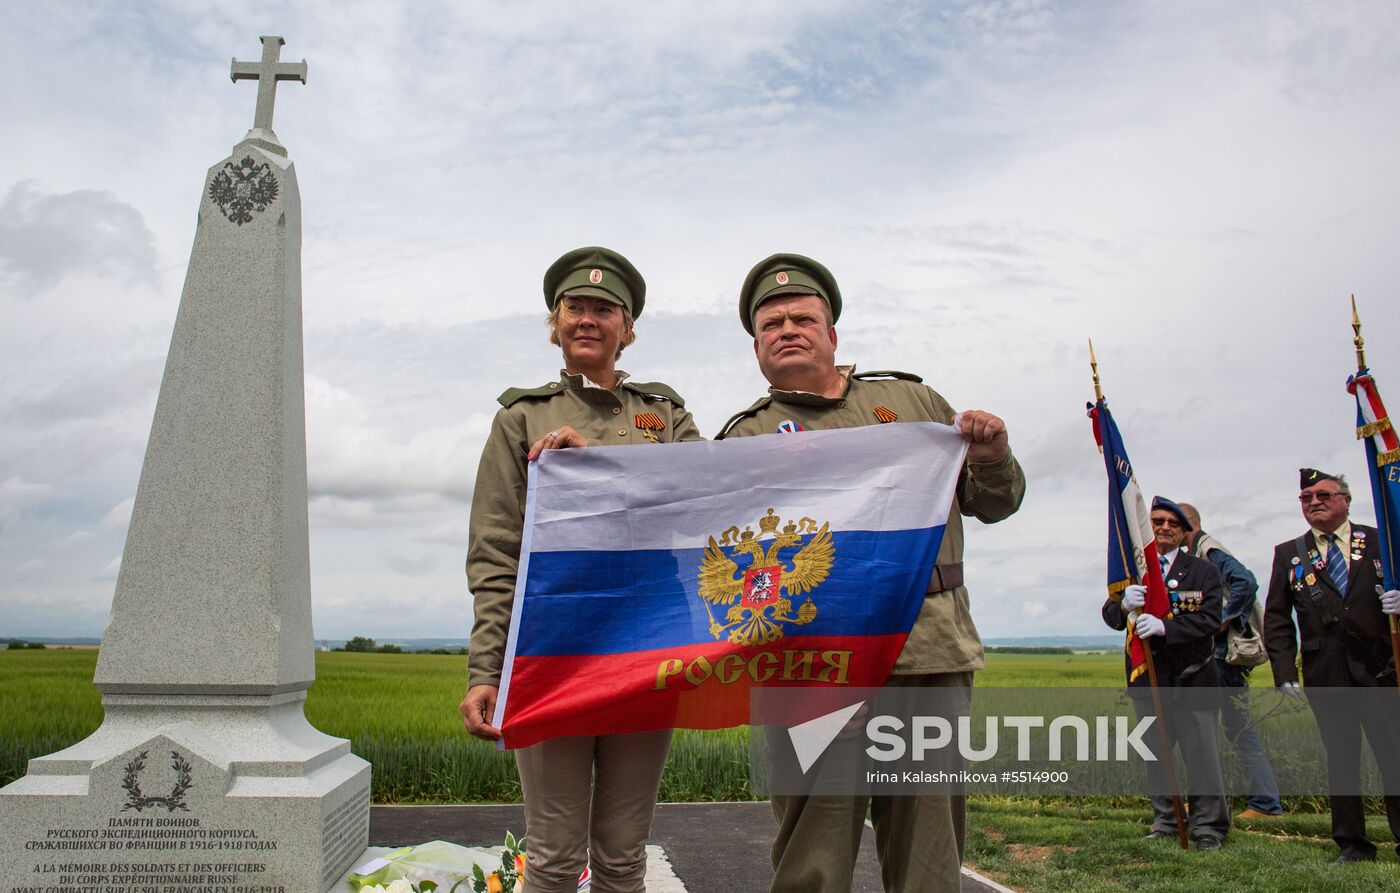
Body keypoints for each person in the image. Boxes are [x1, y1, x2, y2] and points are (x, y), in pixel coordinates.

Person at [714, 253, 1025, 893]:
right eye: (771, 323)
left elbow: (994, 504)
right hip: (806, 666)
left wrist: (992, 456)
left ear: (833, 334)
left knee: (927, 853)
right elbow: (721, 560)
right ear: (755, 345)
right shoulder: (744, 438)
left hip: (925, 651)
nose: (788, 328)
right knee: (812, 855)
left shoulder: (911, 402)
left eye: (804, 317)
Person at [459, 246, 702, 893]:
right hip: (552, 653)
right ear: (555, 320)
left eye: (604, 308)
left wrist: (600, 466)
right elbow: (495, 551)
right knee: (555, 855)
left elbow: (702, 500)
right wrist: (488, 670)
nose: (588, 319)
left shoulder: (666, 415)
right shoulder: (521, 418)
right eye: (575, 307)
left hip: (645, 650)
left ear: (628, 327)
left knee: (625, 855)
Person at [1262, 467, 1400, 864]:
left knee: (1393, 755)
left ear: (1346, 499)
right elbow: (1276, 619)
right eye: (1306, 498)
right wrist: (1285, 673)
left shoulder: (1380, 541)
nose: (1314, 502)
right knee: (1341, 760)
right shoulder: (1289, 553)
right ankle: (1353, 845)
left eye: (1323, 494)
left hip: (1381, 670)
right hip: (1327, 674)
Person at [1102, 496, 1230, 850]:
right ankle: (1167, 821)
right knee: (1156, 756)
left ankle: (1208, 827)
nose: (1164, 528)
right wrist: (1122, 603)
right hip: (1148, 678)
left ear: (1185, 532)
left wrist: (1165, 629)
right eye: (1157, 522)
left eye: (1173, 524)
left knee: (1201, 756)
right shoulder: (1135, 572)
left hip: (1193, 677)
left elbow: (1210, 620)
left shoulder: (1203, 571)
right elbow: (1111, 616)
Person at [1178, 501, 1284, 819]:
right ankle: (1254, 800)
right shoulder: (1200, 551)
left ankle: (1264, 803)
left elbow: (1246, 582)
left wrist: (1220, 619)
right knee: (1228, 726)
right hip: (1220, 654)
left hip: (1222, 655)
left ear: (1189, 525)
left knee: (1221, 726)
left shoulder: (1209, 549)